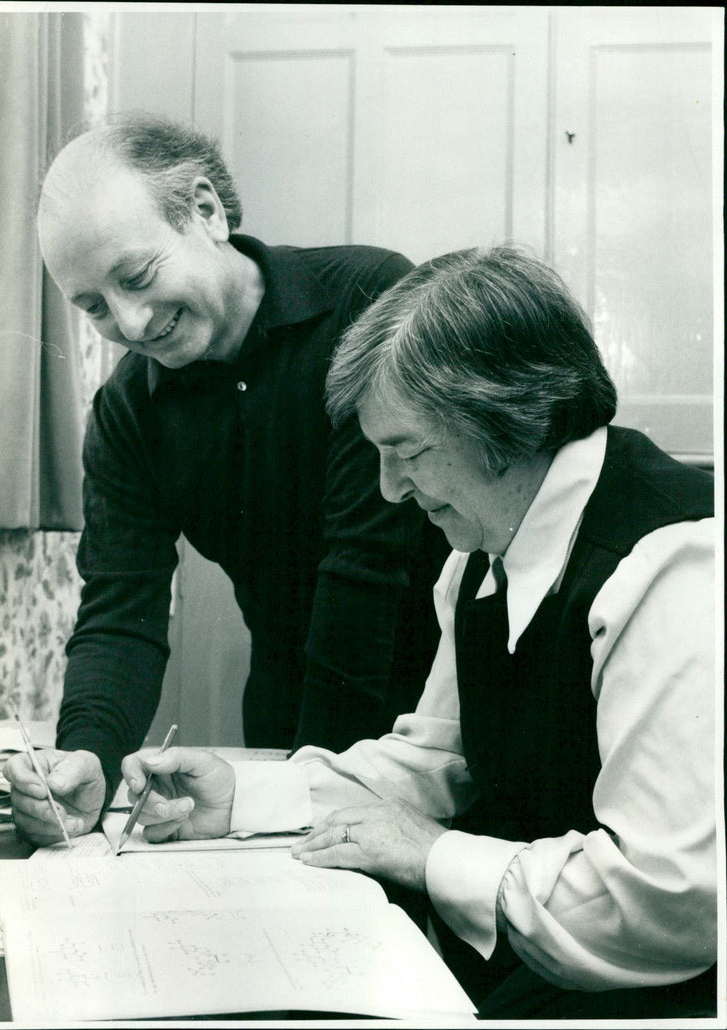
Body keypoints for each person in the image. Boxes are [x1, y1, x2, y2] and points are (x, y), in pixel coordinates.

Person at [115, 247, 717, 1019]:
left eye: (405, 452)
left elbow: (671, 901)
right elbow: (434, 757)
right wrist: (240, 798)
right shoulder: (476, 560)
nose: (389, 489)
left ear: (508, 417)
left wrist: (432, 855)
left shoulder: (674, 565)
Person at [4, 112, 447, 843]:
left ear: (206, 211)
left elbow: (366, 573)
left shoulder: (369, 299)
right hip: (285, 705)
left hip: (434, 708)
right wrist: (88, 752)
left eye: (137, 276)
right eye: (93, 308)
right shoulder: (125, 412)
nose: (133, 323)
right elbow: (121, 605)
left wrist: (305, 797)